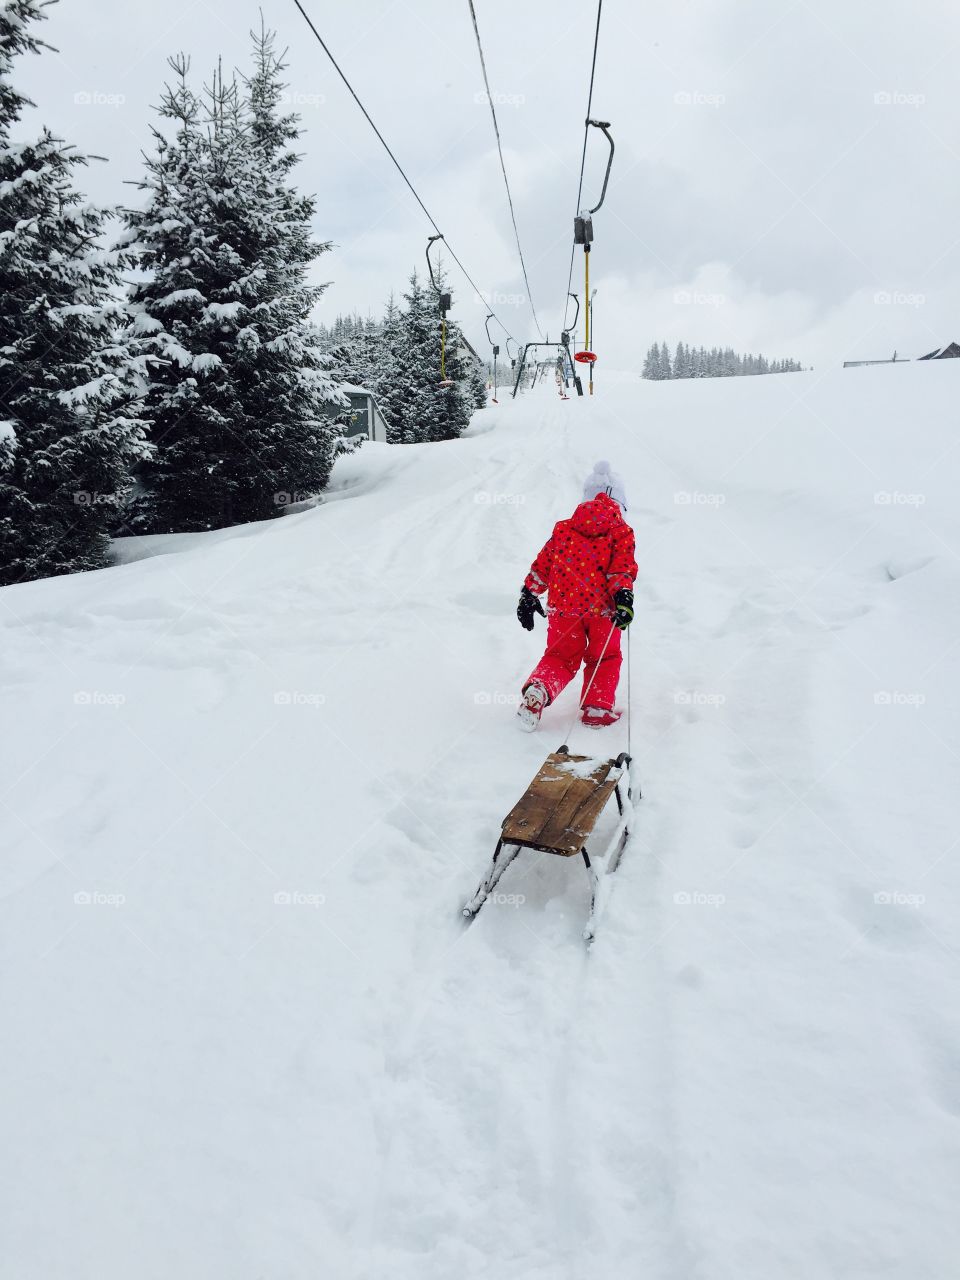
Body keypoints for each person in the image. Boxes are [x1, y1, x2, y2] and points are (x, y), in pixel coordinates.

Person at [515, 462, 636, 731]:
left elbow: (543, 565)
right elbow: (621, 569)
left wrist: (529, 594)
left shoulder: (564, 529)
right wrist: (624, 596)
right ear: (621, 503)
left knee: (560, 657)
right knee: (604, 658)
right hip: (603, 612)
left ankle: (539, 691)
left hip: (564, 610)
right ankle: (597, 708)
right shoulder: (620, 532)